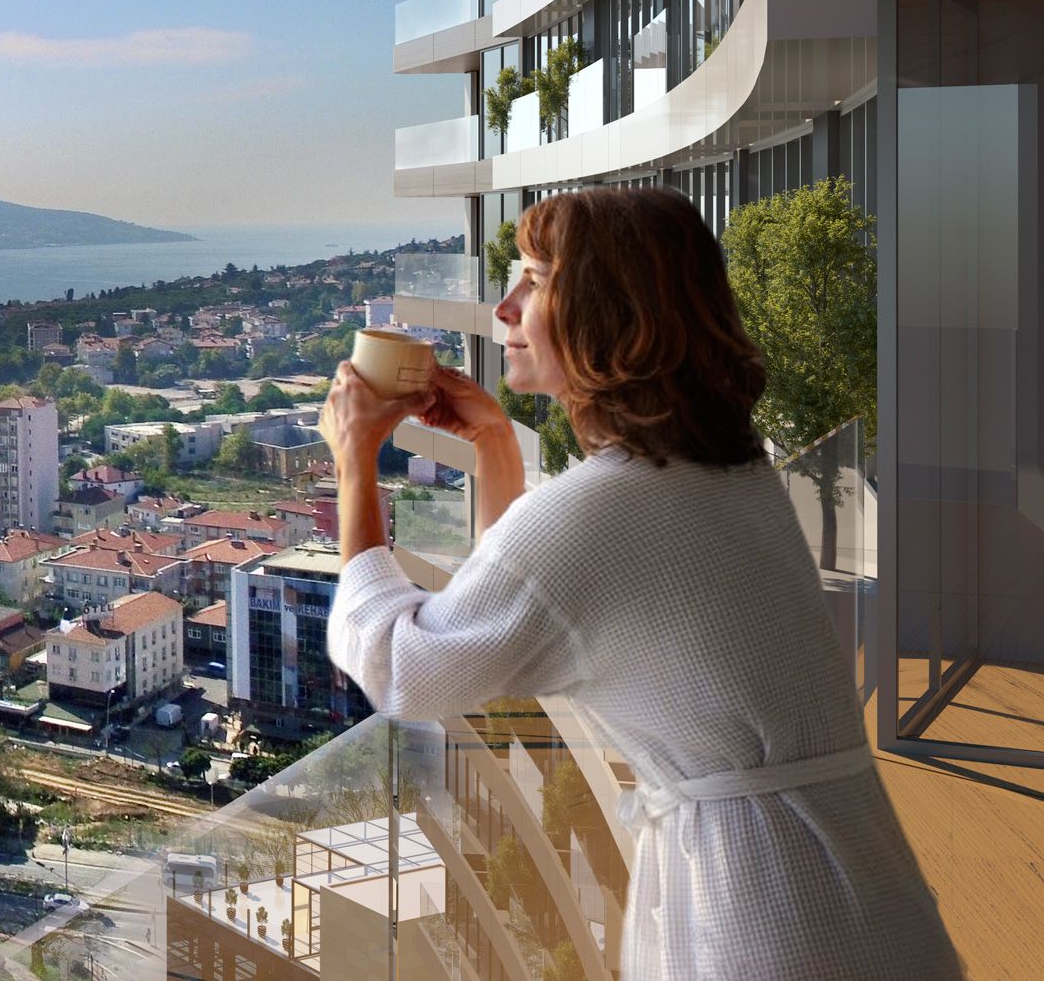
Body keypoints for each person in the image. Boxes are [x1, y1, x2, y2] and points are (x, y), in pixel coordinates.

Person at [318, 186, 957, 981]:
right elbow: (525, 611)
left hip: (759, 915)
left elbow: (401, 666)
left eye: (536, 280)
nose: (503, 310)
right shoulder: (725, 471)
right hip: (858, 882)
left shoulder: (600, 509)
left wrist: (353, 464)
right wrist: (495, 448)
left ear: (611, 310)